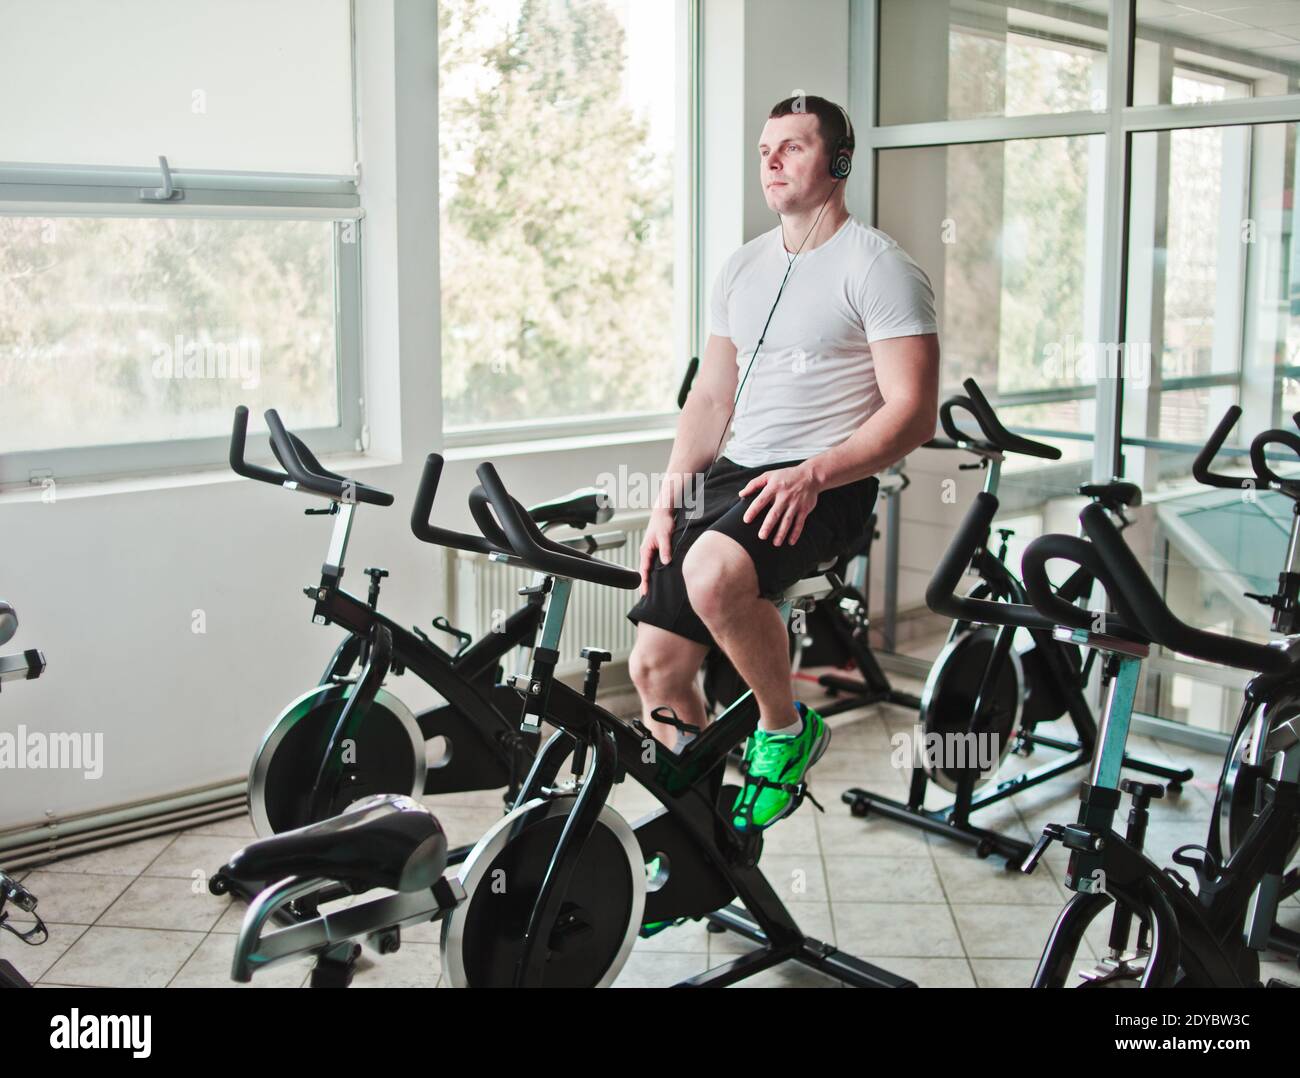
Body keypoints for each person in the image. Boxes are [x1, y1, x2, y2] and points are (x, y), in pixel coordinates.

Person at [627, 94, 940, 837]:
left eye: (792, 147)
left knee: (712, 575)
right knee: (655, 670)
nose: (770, 160)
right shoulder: (742, 266)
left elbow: (912, 412)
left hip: (824, 482)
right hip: (735, 473)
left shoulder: (880, 267)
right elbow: (711, 395)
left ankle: (785, 727)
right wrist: (670, 492)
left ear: (836, 163)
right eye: (766, 148)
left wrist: (814, 474)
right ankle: (698, 838)